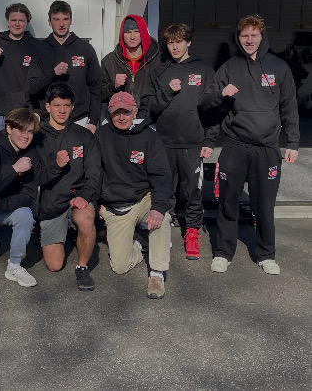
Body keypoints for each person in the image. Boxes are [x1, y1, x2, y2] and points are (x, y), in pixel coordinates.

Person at [202, 15, 299, 275]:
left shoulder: (279, 67)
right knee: (228, 203)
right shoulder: (229, 67)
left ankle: (266, 254)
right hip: (235, 145)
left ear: (262, 36)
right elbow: (206, 101)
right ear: (238, 37)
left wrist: (293, 142)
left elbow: (289, 106)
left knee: (264, 205)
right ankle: (223, 252)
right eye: (244, 35)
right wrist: (221, 94)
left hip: (267, 148)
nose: (249, 40)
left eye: (253, 35)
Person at [0, 108, 65, 286]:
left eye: (30, 131)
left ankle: (14, 265)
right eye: (21, 130)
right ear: (8, 128)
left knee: (25, 215)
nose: (26, 136)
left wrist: (1, 203)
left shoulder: (31, 153)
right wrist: (15, 169)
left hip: (3, 207)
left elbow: (30, 194)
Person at [140, 23, 218, 260]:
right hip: (163, 142)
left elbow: (211, 108)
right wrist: (166, 93)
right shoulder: (159, 71)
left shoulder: (204, 70)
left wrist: (210, 139)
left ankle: (192, 232)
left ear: (188, 42)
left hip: (193, 143)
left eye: (179, 41)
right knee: (164, 190)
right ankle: (163, 231)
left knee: (193, 191)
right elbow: (147, 109)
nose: (174, 46)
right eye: (170, 42)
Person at [96, 92, 172, 299]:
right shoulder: (100, 136)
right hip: (114, 205)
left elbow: (162, 177)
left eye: (126, 112)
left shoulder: (150, 137)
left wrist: (157, 207)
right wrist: (97, 205)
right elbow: (93, 174)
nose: (121, 117)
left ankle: (157, 273)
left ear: (135, 112)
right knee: (119, 266)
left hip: (142, 199)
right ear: (109, 113)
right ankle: (139, 242)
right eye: (116, 112)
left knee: (162, 217)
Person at [30, 83, 101, 291]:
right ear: (47, 107)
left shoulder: (84, 135)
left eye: (66, 105)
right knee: (54, 265)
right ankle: (66, 232)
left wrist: (85, 195)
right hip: (53, 201)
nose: (62, 110)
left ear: (72, 107)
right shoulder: (37, 137)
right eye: (57, 105)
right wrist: (55, 165)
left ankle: (82, 266)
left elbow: (95, 172)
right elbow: (36, 177)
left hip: (78, 196)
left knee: (86, 219)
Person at [28, 0, 102, 132]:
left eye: (65, 19)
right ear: (49, 22)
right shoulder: (40, 50)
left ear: (71, 20)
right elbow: (32, 88)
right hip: (48, 121)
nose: (61, 24)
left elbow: (95, 87)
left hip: (80, 119)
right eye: (56, 19)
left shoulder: (85, 49)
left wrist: (94, 120)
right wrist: (51, 73)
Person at [0, 2, 41, 132]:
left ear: (27, 22)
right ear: (7, 21)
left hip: (26, 113)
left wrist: (37, 110)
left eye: (21, 20)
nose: (17, 24)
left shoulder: (36, 47)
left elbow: (41, 81)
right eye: (13, 20)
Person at [101, 15, 162, 117]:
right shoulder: (109, 61)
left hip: (150, 119)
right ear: (122, 35)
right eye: (128, 32)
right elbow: (99, 94)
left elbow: (163, 93)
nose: (132, 36)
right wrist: (113, 86)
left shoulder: (159, 60)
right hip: (119, 120)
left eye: (136, 31)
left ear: (143, 33)